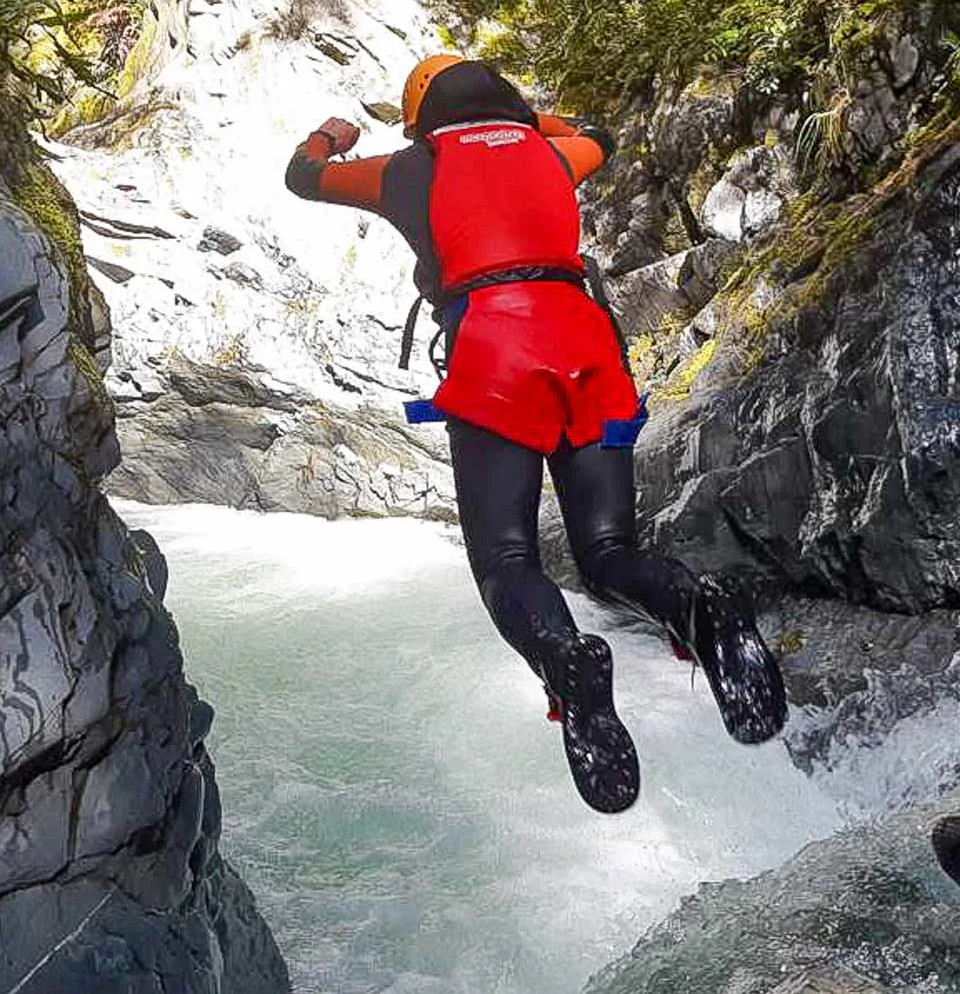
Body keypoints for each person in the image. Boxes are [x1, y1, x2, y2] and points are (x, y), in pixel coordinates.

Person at [284, 55, 786, 814]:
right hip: (586, 343)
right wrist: (526, 122)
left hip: (496, 350)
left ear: (419, 114)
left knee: (508, 559)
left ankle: (566, 658)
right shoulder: (551, 149)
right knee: (612, 553)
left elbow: (303, 176)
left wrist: (333, 131)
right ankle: (702, 609)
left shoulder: (407, 167)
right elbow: (599, 135)